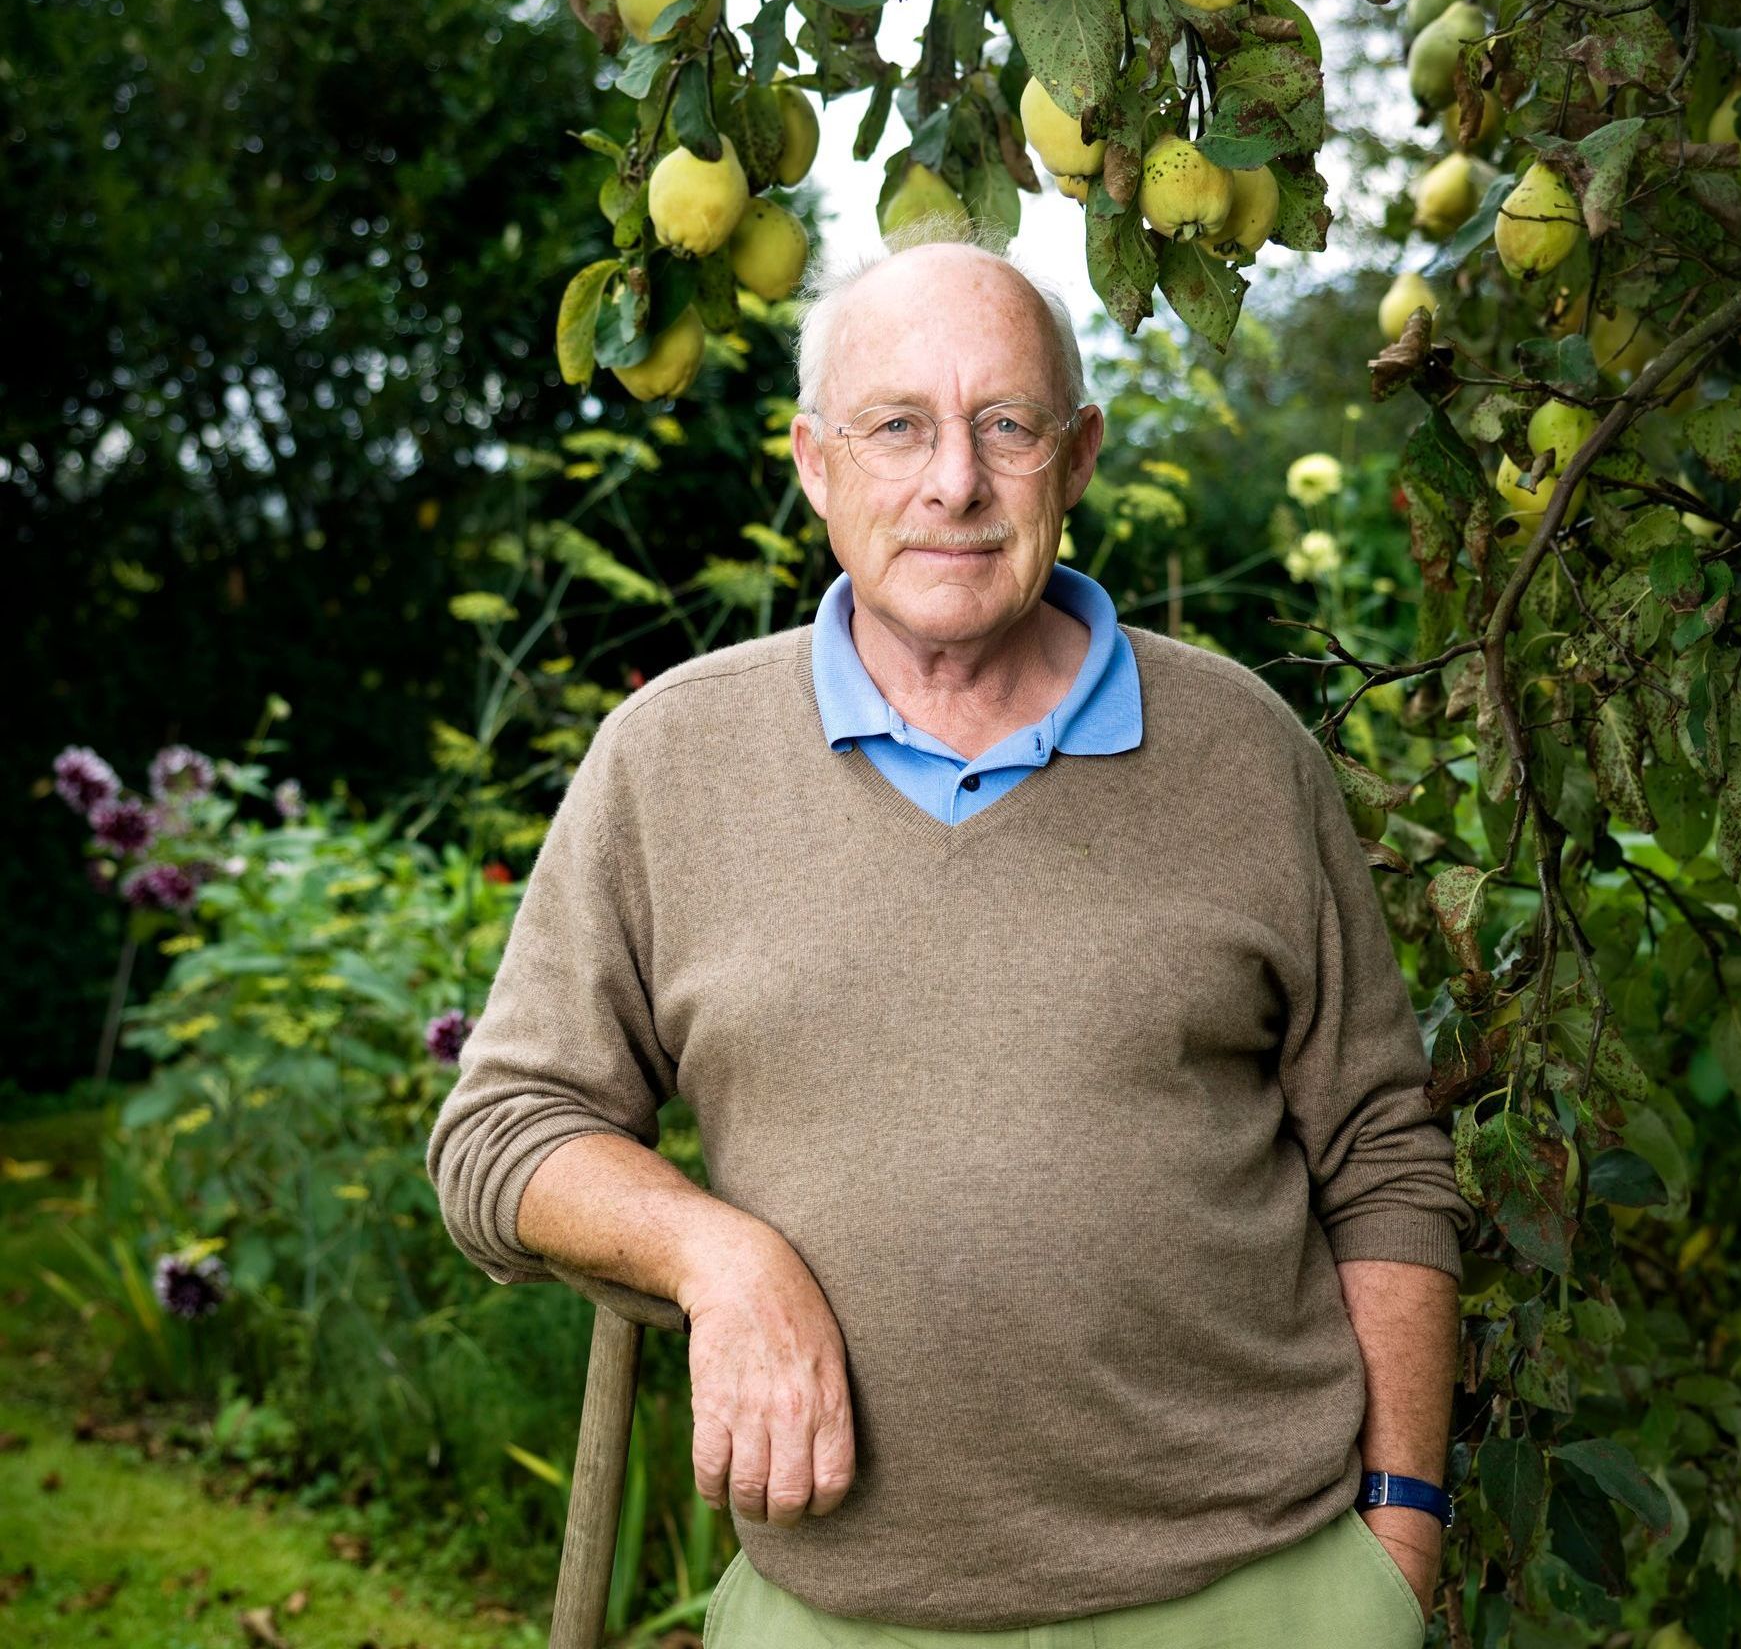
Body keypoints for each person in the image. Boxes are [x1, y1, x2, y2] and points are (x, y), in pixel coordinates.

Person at [426, 221, 1473, 1648]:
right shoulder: (671, 761)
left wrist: (1399, 1535)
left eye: (1006, 427)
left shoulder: (1241, 750)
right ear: (813, 464)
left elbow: (1383, 1153)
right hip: (840, 1612)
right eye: (898, 427)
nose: (955, 483)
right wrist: (720, 1256)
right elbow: (500, 1135)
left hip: (1259, 1592)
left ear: (1081, 456)